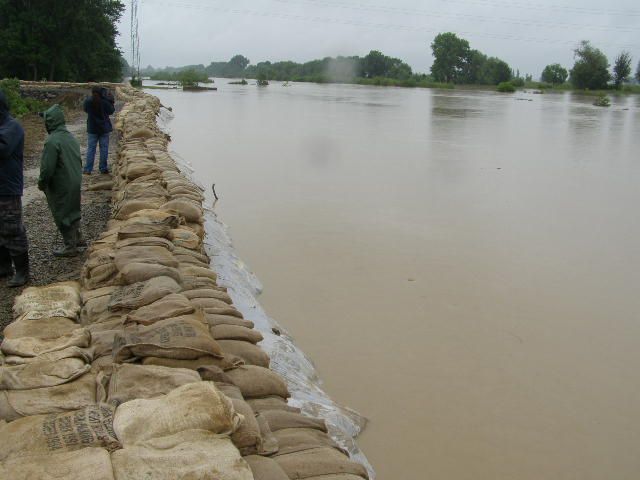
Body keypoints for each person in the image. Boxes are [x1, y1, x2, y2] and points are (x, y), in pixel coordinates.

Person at [38, 104, 84, 257]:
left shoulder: (52, 141)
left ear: (50, 122)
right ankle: (78, 238)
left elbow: (47, 169)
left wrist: (42, 183)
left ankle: (70, 246)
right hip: (75, 180)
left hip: (62, 183)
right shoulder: (70, 137)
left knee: (62, 213)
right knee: (73, 209)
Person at [0, 90, 29, 287]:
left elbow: (2, 149)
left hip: (7, 188)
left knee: (12, 229)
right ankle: (4, 267)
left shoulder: (12, 127)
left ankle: (22, 271)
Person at [83, 86, 114, 174]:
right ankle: (103, 168)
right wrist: (111, 101)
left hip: (92, 128)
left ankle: (88, 169)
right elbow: (111, 111)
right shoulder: (105, 101)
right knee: (104, 149)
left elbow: (85, 110)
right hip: (104, 128)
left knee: (91, 149)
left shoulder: (88, 101)